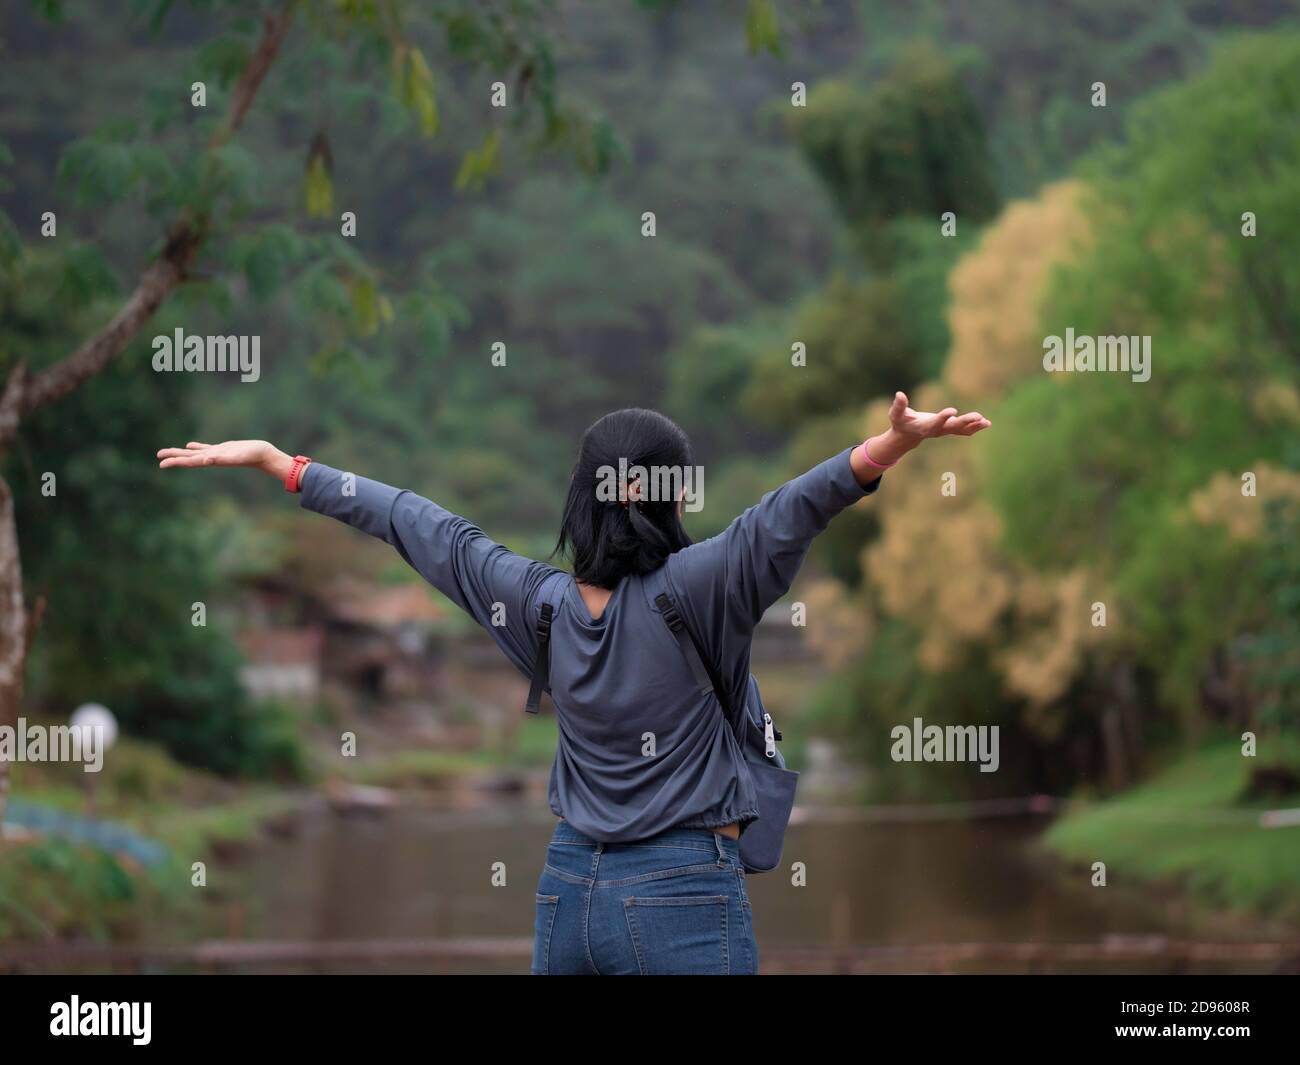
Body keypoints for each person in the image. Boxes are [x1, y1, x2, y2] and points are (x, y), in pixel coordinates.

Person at [157, 391, 989, 974]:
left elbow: (419, 524)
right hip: (683, 896)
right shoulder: (704, 584)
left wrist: (287, 466)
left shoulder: (535, 603)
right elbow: (792, 509)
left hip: (567, 898)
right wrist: (893, 445)